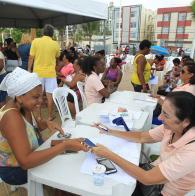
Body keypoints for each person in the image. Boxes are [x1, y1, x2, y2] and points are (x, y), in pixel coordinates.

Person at [92, 91, 195, 196]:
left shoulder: (191, 151)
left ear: (185, 122)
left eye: (166, 115)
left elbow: (147, 178)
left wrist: (109, 154)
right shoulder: (172, 128)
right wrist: (110, 131)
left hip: (164, 191)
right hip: (154, 172)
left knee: (113, 187)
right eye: (162, 111)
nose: (159, 118)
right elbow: (142, 137)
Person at [0, 67, 87, 186]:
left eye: (41, 96)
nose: (41, 101)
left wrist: (46, 123)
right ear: (19, 97)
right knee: (66, 170)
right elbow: (25, 162)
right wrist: (64, 145)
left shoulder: (23, 107)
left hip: (31, 153)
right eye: (36, 97)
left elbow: (31, 130)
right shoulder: (11, 117)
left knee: (70, 159)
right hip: (15, 170)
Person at [28, 24, 60, 121]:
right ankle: (50, 116)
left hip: (38, 73)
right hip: (50, 73)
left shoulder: (36, 41)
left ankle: (39, 116)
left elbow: (31, 57)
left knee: (38, 95)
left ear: (43, 33)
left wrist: (29, 70)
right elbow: (57, 57)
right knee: (50, 95)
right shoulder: (55, 44)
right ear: (52, 34)